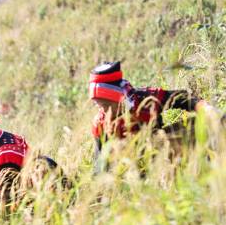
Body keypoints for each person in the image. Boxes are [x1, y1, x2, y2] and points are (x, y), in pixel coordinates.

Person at [88, 61, 217, 166]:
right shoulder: (101, 124)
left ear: (120, 98)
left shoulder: (145, 100)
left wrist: (205, 108)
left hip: (166, 150)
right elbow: (99, 165)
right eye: (98, 105)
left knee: (208, 123)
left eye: (106, 105)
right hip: (136, 170)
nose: (104, 110)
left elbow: (180, 98)